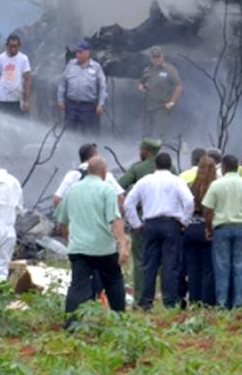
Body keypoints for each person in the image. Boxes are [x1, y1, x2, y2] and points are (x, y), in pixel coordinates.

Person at [55, 156, 129, 325]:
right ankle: (120, 320)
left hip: (78, 248)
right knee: (114, 281)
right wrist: (123, 245)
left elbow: (63, 221)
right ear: (103, 172)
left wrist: (70, 240)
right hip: (103, 248)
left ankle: (71, 323)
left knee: (77, 285)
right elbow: (115, 219)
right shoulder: (107, 190)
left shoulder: (72, 190)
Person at [124, 152, 194, 309]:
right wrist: (184, 220)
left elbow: (129, 203)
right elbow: (189, 201)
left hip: (150, 224)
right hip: (171, 225)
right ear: (170, 166)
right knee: (170, 264)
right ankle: (170, 302)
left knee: (149, 264)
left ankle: (146, 301)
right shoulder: (177, 181)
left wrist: (137, 224)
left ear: (154, 166)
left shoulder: (144, 181)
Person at [202, 154, 242, 310]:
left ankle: (222, 302)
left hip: (221, 228)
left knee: (222, 267)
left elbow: (208, 209)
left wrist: (209, 229)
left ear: (223, 167)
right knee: (240, 266)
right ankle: (239, 302)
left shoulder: (216, 185)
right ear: (237, 167)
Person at [120, 138, 161, 301]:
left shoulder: (137, 169)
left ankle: (141, 297)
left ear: (145, 152)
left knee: (140, 260)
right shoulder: (170, 168)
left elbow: (119, 185)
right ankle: (166, 297)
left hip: (142, 221)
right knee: (164, 260)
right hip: (166, 221)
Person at [184, 156, 217, 306]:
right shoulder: (215, 186)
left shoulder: (191, 185)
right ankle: (207, 301)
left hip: (191, 229)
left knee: (192, 268)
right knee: (207, 267)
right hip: (206, 229)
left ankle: (194, 299)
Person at [53, 143, 125, 210]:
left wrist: (66, 220)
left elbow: (57, 200)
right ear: (95, 156)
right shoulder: (106, 175)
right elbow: (121, 197)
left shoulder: (72, 175)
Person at [57, 40, 107, 134]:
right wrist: (60, 101)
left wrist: (101, 104)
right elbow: (62, 84)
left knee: (87, 133)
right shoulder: (70, 65)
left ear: (87, 53)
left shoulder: (96, 67)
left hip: (88, 106)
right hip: (71, 105)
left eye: (80, 52)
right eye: (77, 52)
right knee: (69, 132)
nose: (77, 55)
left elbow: (102, 87)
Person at [138, 46, 182, 142]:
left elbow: (178, 86)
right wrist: (141, 87)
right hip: (148, 106)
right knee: (146, 133)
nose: (156, 59)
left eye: (158, 57)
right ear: (151, 58)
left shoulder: (170, 70)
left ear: (162, 56)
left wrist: (172, 102)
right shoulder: (147, 70)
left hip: (162, 107)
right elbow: (141, 82)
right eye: (154, 57)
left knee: (162, 133)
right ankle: (146, 155)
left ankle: (164, 153)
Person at [0, 34, 31, 114]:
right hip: (0, 97)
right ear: (6, 46)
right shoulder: (0, 58)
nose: (13, 48)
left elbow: (27, 79)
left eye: (15, 46)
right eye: (11, 46)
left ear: (19, 46)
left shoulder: (24, 59)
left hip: (15, 99)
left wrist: (26, 100)